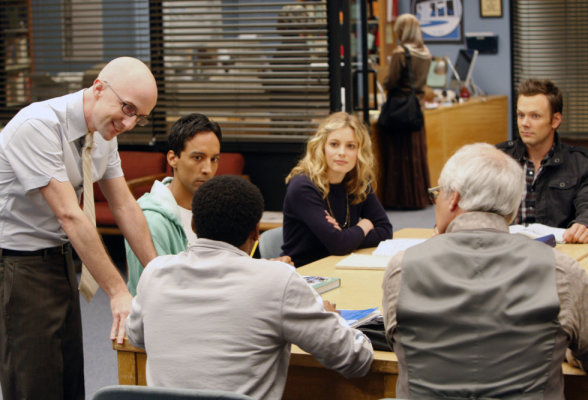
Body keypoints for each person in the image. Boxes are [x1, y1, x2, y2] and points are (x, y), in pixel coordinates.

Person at [382, 143, 588, 399]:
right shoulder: (561, 272)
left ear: (453, 198)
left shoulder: (401, 270)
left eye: (437, 193)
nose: (436, 201)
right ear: (512, 205)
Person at [126, 175, 373, 400]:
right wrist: (333, 318)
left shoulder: (155, 272)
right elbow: (355, 359)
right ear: (256, 232)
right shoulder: (278, 281)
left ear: (193, 225)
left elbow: (136, 336)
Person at [0, 57, 159, 399]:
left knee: (69, 378)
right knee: (35, 383)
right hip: (17, 265)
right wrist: (117, 292)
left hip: (57, 259)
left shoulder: (103, 132)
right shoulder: (37, 125)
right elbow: (69, 215)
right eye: (127, 108)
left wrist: (159, 270)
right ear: (99, 88)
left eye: (139, 116)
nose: (129, 123)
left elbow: (124, 205)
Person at [125, 113, 221, 296]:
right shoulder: (151, 218)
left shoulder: (214, 208)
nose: (208, 169)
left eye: (214, 159)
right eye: (198, 158)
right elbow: (155, 295)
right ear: (172, 158)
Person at [282, 111, 393, 267]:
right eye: (334, 144)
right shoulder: (303, 186)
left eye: (350, 146)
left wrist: (345, 238)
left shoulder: (358, 182)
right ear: (322, 147)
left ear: (359, 152)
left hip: (342, 264)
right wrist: (364, 225)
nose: (341, 153)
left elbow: (386, 230)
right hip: (307, 272)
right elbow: (339, 245)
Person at [497, 78, 588, 243]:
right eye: (521, 115)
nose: (524, 123)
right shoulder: (497, 158)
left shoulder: (580, 162)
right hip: (505, 251)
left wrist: (585, 225)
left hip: (558, 253)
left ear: (555, 120)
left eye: (535, 116)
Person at [378, 13, 432, 209]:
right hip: (416, 110)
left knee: (397, 156)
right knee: (416, 156)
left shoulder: (401, 54)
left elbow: (390, 82)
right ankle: (417, 197)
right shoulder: (426, 53)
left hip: (399, 111)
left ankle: (400, 199)